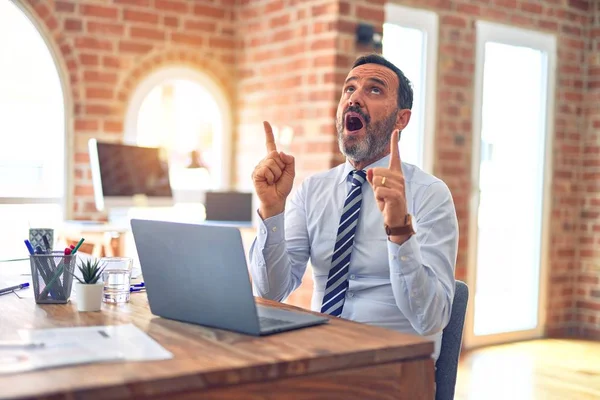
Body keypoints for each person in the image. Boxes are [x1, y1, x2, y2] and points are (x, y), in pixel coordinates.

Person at [248, 53, 458, 361]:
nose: (355, 98)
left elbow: (431, 319)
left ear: (401, 119)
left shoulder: (430, 194)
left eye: (374, 90)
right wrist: (272, 210)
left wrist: (400, 231)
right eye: (349, 89)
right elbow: (270, 292)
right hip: (319, 356)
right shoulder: (312, 190)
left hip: (394, 368)